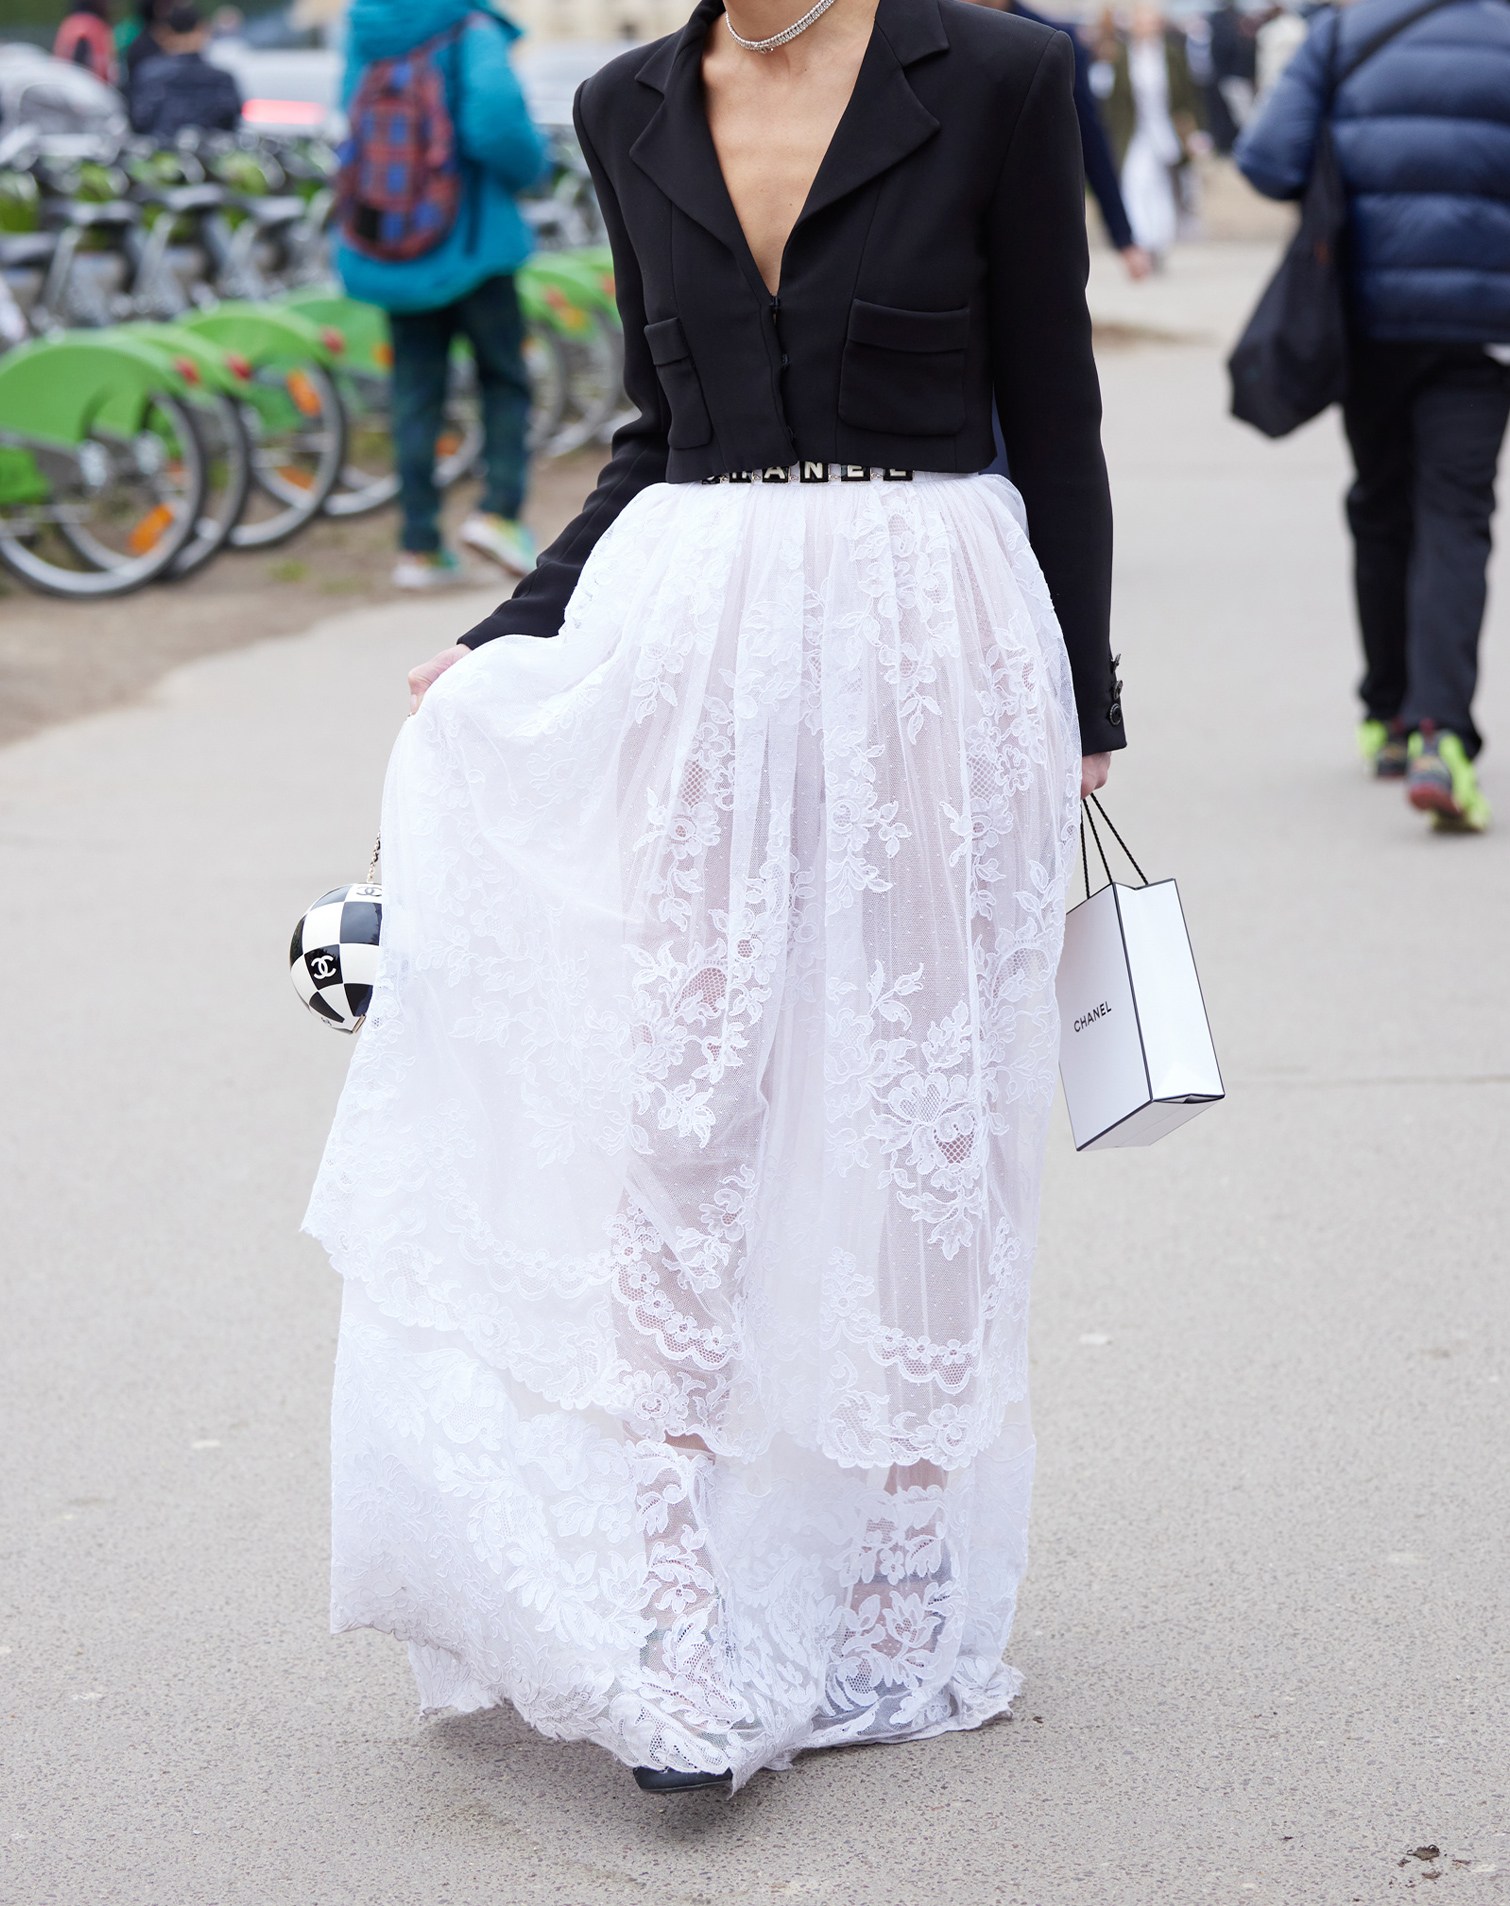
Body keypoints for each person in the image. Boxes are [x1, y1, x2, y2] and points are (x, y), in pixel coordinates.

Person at [307, 0, 1124, 1793]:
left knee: (918, 1126)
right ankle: (670, 1590)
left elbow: (1051, 396)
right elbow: (654, 426)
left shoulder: (995, 74)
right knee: (684, 1107)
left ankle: (897, 1593)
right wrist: (511, 631)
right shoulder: (622, 105)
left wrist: (1087, 704)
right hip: (700, 648)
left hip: (935, 641)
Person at [1236, 0, 1510, 832]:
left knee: (1380, 506)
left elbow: (1267, 160)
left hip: (1366, 318)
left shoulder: (1344, 35)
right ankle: (1440, 734)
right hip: (1481, 325)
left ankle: (1386, 715)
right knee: (1456, 516)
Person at [336, 0, 547, 591]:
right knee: (504, 379)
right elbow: (497, 122)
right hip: (475, 243)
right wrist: (534, 170)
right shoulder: (470, 27)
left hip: (397, 246)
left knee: (414, 395)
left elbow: (345, 116)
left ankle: (418, 546)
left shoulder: (367, 28)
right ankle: (499, 512)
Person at [966, 0, 1150, 279]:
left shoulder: (1049, 41)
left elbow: (1090, 140)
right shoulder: (927, 32)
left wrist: (1123, 236)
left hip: (1023, 227)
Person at [1101, 5, 1200, 263]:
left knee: (1162, 186)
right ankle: (1142, 240)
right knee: (1135, 181)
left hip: (1165, 130)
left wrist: (1193, 132)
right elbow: (1113, 101)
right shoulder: (1121, 56)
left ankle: (1159, 241)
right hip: (1133, 132)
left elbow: (1187, 97)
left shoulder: (1172, 55)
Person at [128, 4, 242, 139]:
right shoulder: (223, 78)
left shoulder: (149, 74)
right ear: (203, 29)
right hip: (215, 155)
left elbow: (138, 121)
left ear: (165, 33)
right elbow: (233, 122)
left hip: (161, 156)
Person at [53, 0, 118, 88]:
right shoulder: (88, 26)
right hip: (85, 92)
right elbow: (79, 69)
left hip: (65, 89)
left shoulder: (71, 23)